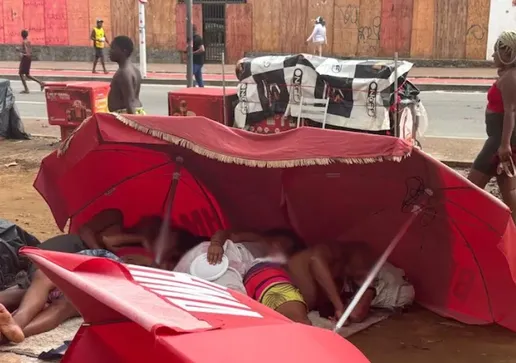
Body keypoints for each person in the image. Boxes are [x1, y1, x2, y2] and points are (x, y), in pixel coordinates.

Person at [0, 249, 122, 343]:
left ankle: (9, 332)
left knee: (66, 302)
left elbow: (107, 239)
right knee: (43, 278)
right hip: (96, 261)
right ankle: (13, 329)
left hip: (112, 276)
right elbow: (98, 235)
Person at [468, 30, 516, 223]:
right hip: (501, 141)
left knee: (471, 187)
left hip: (498, 143)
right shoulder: (509, 75)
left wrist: (504, 145)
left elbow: (511, 112)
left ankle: (469, 223)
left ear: (507, 53)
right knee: (508, 189)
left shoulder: (510, 78)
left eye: (496, 51)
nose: (493, 55)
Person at [108, 36, 145, 115]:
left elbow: (130, 101)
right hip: (136, 110)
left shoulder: (123, 73)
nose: (110, 51)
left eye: (113, 48)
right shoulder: (134, 69)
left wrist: (132, 123)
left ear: (124, 51)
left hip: (125, 115)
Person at [17, 30, 44, 94]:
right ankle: (41, 82)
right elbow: (29, 51)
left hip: (25, 58)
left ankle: (26, 89)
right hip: (29, 58)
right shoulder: (28, 41)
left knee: (21, 74)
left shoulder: (24, 42)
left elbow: (26, 52)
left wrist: (19, 50)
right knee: (27, 74)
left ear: (21, 35)